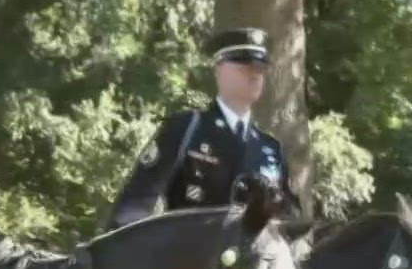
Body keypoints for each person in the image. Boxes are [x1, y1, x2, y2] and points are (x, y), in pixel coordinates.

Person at [107, 27, 299, 228]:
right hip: (189, 255)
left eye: (260, 69)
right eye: (244, 67)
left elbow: (291, 223)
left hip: (252, 257)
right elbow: (135, 204)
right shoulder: (187, 129)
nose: (254, 75)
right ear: (219, 70)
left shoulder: (271, 149)